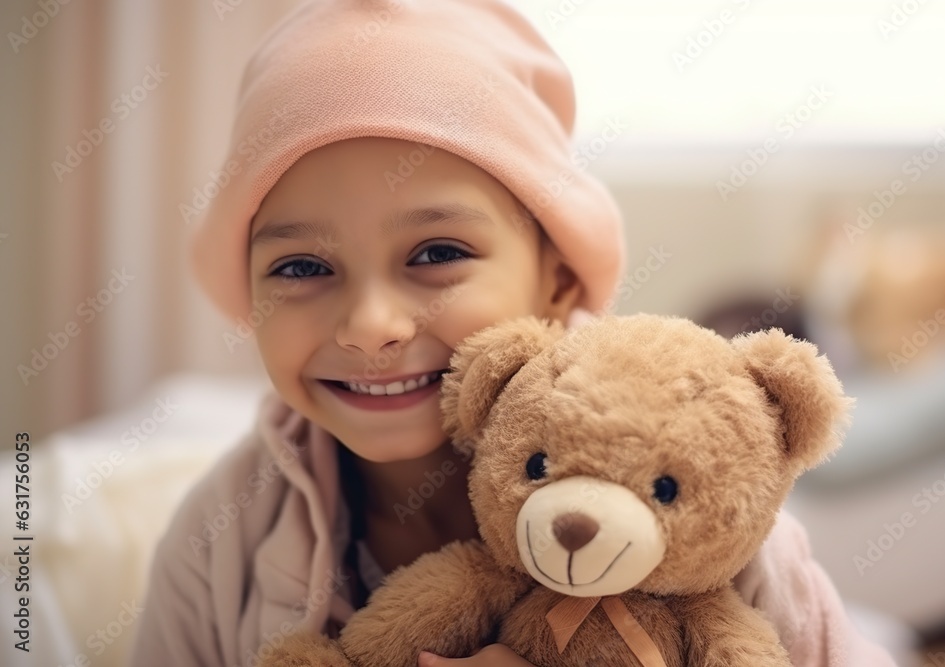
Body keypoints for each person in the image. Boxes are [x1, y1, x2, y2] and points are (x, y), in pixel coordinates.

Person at [128, 1, 898, 665]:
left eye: (436, 254)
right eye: (300, 267)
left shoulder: (703, 504)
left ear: (557, 280)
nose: (370, 326)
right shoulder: (216, 542)